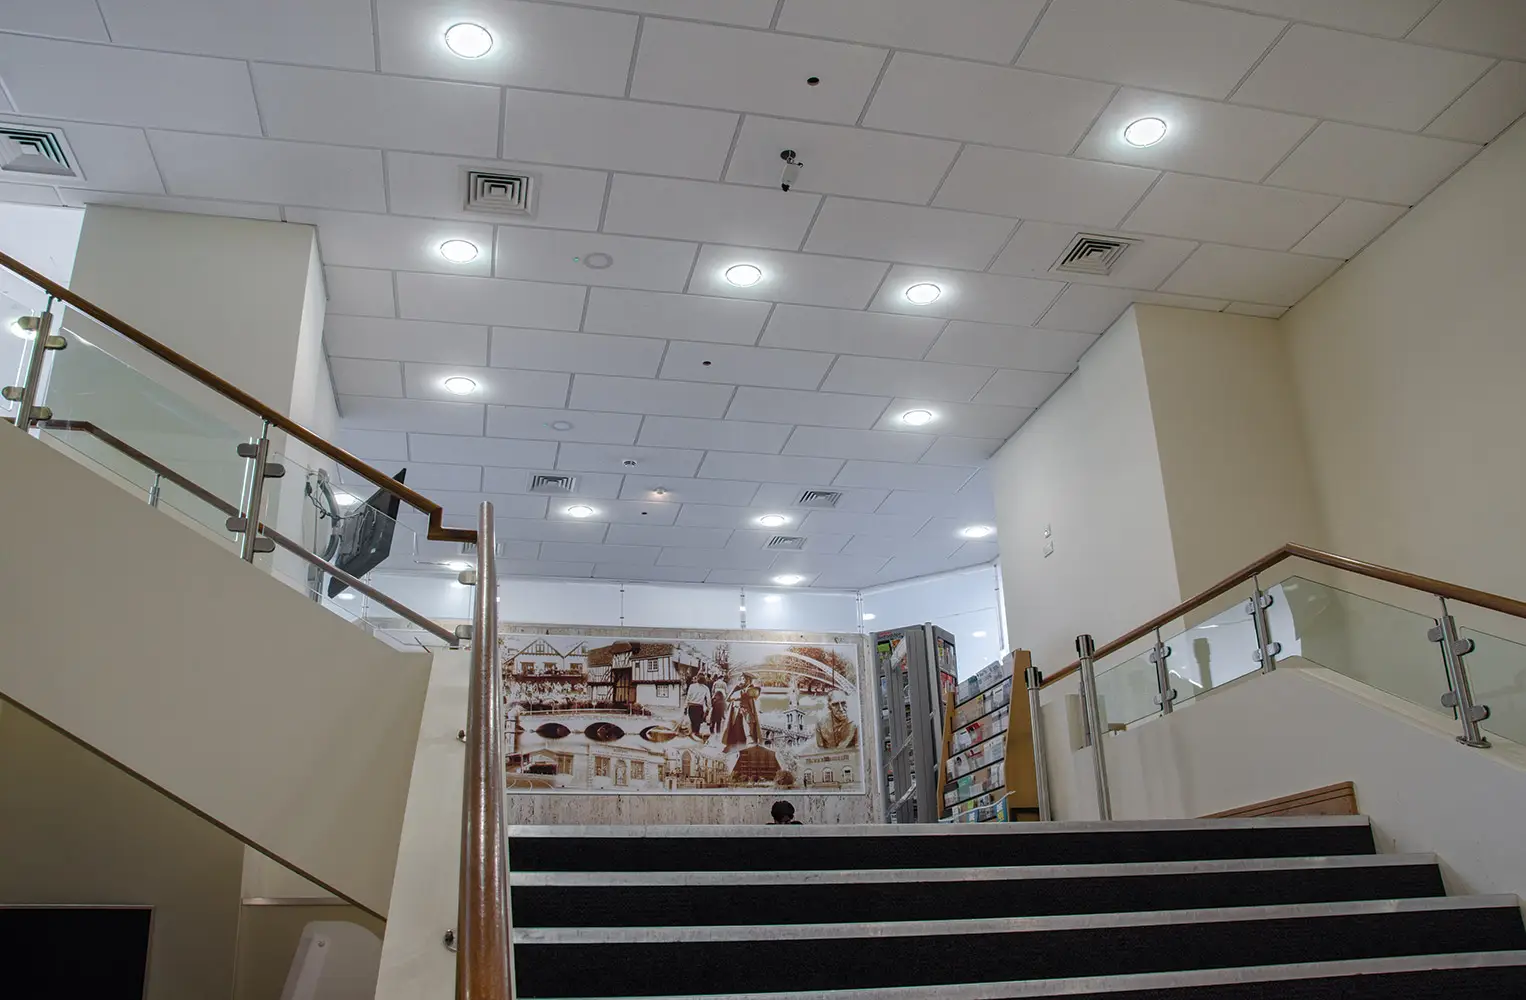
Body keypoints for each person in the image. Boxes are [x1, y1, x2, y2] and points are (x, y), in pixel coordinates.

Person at [684, 672, 711, 739]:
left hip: (691, 707)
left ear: (697, 678)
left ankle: (693, 737)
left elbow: (688, 697)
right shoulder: (706, 688)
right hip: (699, 708)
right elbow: (708, 700)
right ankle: (696, 737)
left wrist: (685, 707)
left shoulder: (692, 686)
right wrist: (708, 709)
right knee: (697, 724)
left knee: (692, 723)